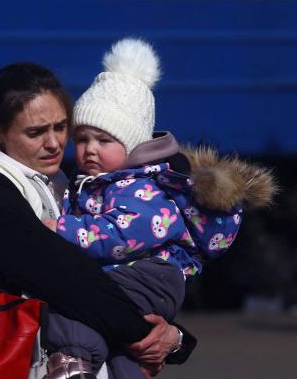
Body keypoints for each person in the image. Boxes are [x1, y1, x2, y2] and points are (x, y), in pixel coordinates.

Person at [0, 60, 194, 379]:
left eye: (60, 127)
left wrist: (175, 339)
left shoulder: (52, 180)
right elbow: (67, 278)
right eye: (36, 132)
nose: (54, 143)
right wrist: (157, 339)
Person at [42, 38, 277, 378]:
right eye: (82, 139)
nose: (90, 150)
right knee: (126, 343)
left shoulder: (139, 187)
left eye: (104, 140)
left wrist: (61, 230)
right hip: (140, 276)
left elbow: (123, 234)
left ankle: (73, 361)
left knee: (80, 300)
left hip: (150, 275)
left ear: (133, 144)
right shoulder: (96, 183)